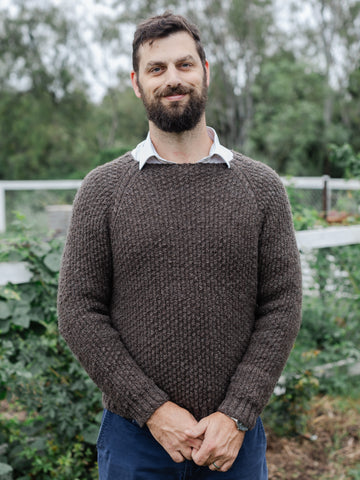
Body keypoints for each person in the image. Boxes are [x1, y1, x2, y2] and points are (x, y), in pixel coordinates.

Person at [57, 11, 302, 480]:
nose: (173, 79)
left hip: (234, 439)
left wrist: (236, 413)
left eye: (184, 65)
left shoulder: (261, 187)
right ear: (137, 83)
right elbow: (79, 311)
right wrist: (153, 410)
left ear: (205, 71)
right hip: (136, 440)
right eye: (157, 68)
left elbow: (282, 304)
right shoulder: (103, 190)